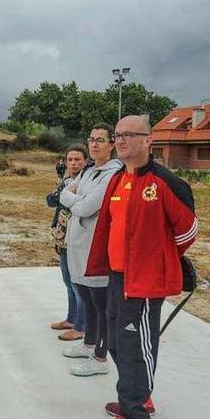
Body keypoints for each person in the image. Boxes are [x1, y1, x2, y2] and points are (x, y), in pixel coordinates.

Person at [85, 115, 197, 419]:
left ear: (149, 140)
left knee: (137, 346)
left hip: (145, 281)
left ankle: (133, 415)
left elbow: (188, 229)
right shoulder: (119, 179)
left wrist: (160, 257)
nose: (121, 140)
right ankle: (138, 394)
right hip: (118, 276)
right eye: (118, 135)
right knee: (118, 342)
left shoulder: (164, 182)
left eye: (130, 135)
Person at [59, 124, 123, 376]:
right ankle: (88, 344)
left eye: (101, 140)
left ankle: (100, 358)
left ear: (111, 144)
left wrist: (74, 200)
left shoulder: (112, 173)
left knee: (100, 303)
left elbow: (86, 207)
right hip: (77, 243)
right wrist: (75, 200)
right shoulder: (88, 172)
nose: (94, 144)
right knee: (85, 297)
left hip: (95, 246)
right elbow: (65, 193)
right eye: (91, 140)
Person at [47, 147, 86, 341]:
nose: (73, 163)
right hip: (63, 236)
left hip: (78, 237)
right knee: (67, 281)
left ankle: (81, 325)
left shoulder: (87, 181)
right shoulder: (66, 182)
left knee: (78, 283)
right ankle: (71, 318)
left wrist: (66, 197)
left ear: (85, 161)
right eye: (70, 159)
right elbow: (51, 200)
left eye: (78, 159)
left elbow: (77, 204)